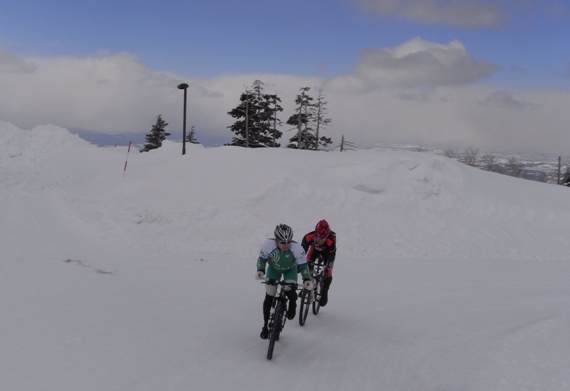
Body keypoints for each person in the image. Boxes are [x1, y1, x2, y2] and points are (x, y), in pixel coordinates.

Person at [255, 224, 313, 339]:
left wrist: (306, 278)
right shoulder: (268, 244)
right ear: (276, 240)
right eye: (282, 243)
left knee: (290, 289)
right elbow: (262, 259)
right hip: (273, 269)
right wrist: (261, 270)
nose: (286, 245)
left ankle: (292, 303)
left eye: (288, 242)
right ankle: (265, 326)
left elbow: (303, 265)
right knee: (269, 295)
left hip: (290, 270)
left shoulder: (296, 248)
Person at [301, 219, 336, 307]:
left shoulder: (330, 242)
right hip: (315, 249)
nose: (321, 240)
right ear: (315, 234)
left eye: (323, 238)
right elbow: (302, 253)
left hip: (327, 253)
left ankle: (325, 291)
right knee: (306, 265)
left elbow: (331, 258)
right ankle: (306, 285)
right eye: (319, 237)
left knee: (328, 271)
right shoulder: (308, 237)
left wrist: (328, 266)